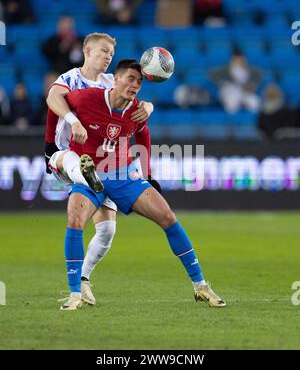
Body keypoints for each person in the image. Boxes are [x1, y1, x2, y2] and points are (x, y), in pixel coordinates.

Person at [50, 58, 226, 310]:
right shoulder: (87, 98)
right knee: (75, 219)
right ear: (115, 78)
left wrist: (147, 174)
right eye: (130, 79)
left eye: (139, 81)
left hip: (123, 175)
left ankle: (200, 286)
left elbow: (143, 134)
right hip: (89, 175)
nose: (134, 85)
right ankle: (75, 293)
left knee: (168, 216)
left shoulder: (137, 111)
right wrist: (71, 121)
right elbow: (54, 98)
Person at [45, 32, 155, 306]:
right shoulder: (70, 79)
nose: (108, 57)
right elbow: (52, 100)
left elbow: (137, 109)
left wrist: (149, 107)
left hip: (103, 164)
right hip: (68, 153)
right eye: (103, 51)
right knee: (72, 161)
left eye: (110, 53)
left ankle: (82, 281)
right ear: (87, 50)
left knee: (107, 232)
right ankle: (85, 174)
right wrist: (57, 137)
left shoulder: (111, 82)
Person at [210, 48, 262, 114]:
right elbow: (212, 75)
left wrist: (253, 85)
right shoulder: (225, 68)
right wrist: (222, 84)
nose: (239, 61)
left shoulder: (251, 69)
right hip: (230, 91)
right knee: (231, 103)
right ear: (233, 59)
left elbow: (259, 76)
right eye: (236, 59)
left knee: (255, 103)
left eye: (240, 59)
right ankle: (232, 122)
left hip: (245, 91)